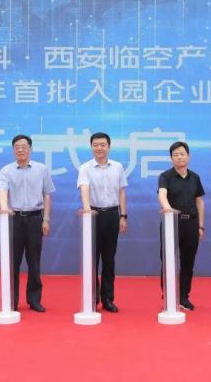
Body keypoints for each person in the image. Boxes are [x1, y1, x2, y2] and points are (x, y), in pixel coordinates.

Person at [0, 134, 55, 312]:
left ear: (30, 149)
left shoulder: (41, 169)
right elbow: (2, 191)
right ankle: (11, 301)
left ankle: (34, 300)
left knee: (34, 261)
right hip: (14, 219)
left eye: (24, 147)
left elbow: (47, 195)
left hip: (35, 219)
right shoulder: (6, 170)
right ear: (13, 150)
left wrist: (46, 219)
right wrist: (5, 209)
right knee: (12, 262)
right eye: (17, 147)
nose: (20, 150)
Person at [77, 132, 127, 313]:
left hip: (112, 214)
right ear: (91, 147)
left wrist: (123, 215)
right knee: (91, 259)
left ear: (109, 146)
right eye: (96, 145)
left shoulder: (118, 167)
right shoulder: (85, 168)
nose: (99, 148)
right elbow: (84, 189)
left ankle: (108, 299)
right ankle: (92, 299)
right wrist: (87, 211)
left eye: (103, 144)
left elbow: (121, 192)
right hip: (93, 215)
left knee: (109, 259)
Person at [157, 141, 205, 310]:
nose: (179, 157)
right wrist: (168, 209)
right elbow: (162, 194)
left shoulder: (195, 177)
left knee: (188, 262)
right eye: (175, 155)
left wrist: (200, 226)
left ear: (188, 156)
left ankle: (183, 296)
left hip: (191, 223)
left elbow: (199, 201)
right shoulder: (165, 176)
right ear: (171, 158)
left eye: (182, 154)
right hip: (171, 223)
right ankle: (168, 295)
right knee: (168, 261)